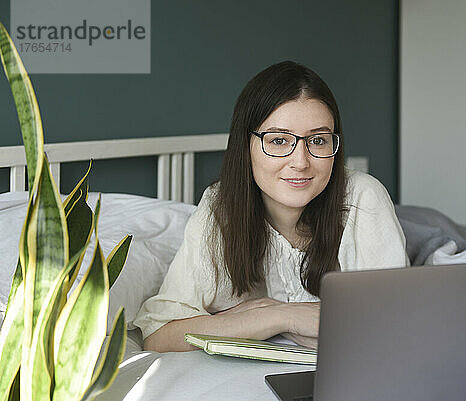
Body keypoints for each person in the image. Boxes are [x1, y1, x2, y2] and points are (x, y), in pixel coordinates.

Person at [134, 61, 409, 352]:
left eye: (317, 140)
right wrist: (279, 315)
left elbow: (395, 329)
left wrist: (239, 320)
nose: (301, 162)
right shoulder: (220, 208)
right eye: (278, 140)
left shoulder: (364, 198)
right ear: (245, 146)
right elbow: (160, 335)